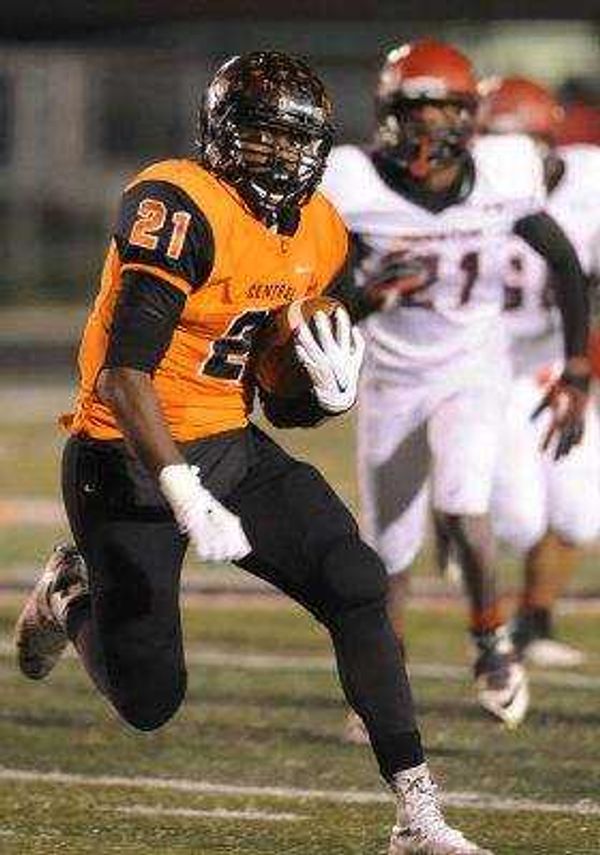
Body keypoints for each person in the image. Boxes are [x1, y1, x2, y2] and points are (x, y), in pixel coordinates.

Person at [14, 51, 493, 855]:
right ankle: (70, 593)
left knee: (355, 578)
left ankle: (418, 815)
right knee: (151, 697)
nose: (282, 157)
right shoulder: (180, 204)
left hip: (229, 443)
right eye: (264, 137)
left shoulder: (320, 229)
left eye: (296, 140)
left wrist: (321, 392)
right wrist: (181, 488)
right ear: (223, 136)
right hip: (124, 459)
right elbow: (123, 375)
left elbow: (279, 394)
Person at [320, 39, 591, 735]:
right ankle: (385, 683)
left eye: (443, 110)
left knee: (466, 501)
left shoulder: (505, 172)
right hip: (390, 379)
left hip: (473, 368)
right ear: (387, 112)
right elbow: (321, 296)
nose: (428, 126)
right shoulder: (352, 184)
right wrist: (363, 299)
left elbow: (563, 262)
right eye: (415, 109)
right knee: (391, 548)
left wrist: (577, 368)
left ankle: (491, 642)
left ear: (469, 117)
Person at [479, 76, 600, 667]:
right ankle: (494, 618)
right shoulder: (467, 187)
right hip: (491, 368)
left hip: (556, 361)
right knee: (522, 520)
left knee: (582, 509)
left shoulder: (589, 179)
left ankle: (536, 622)